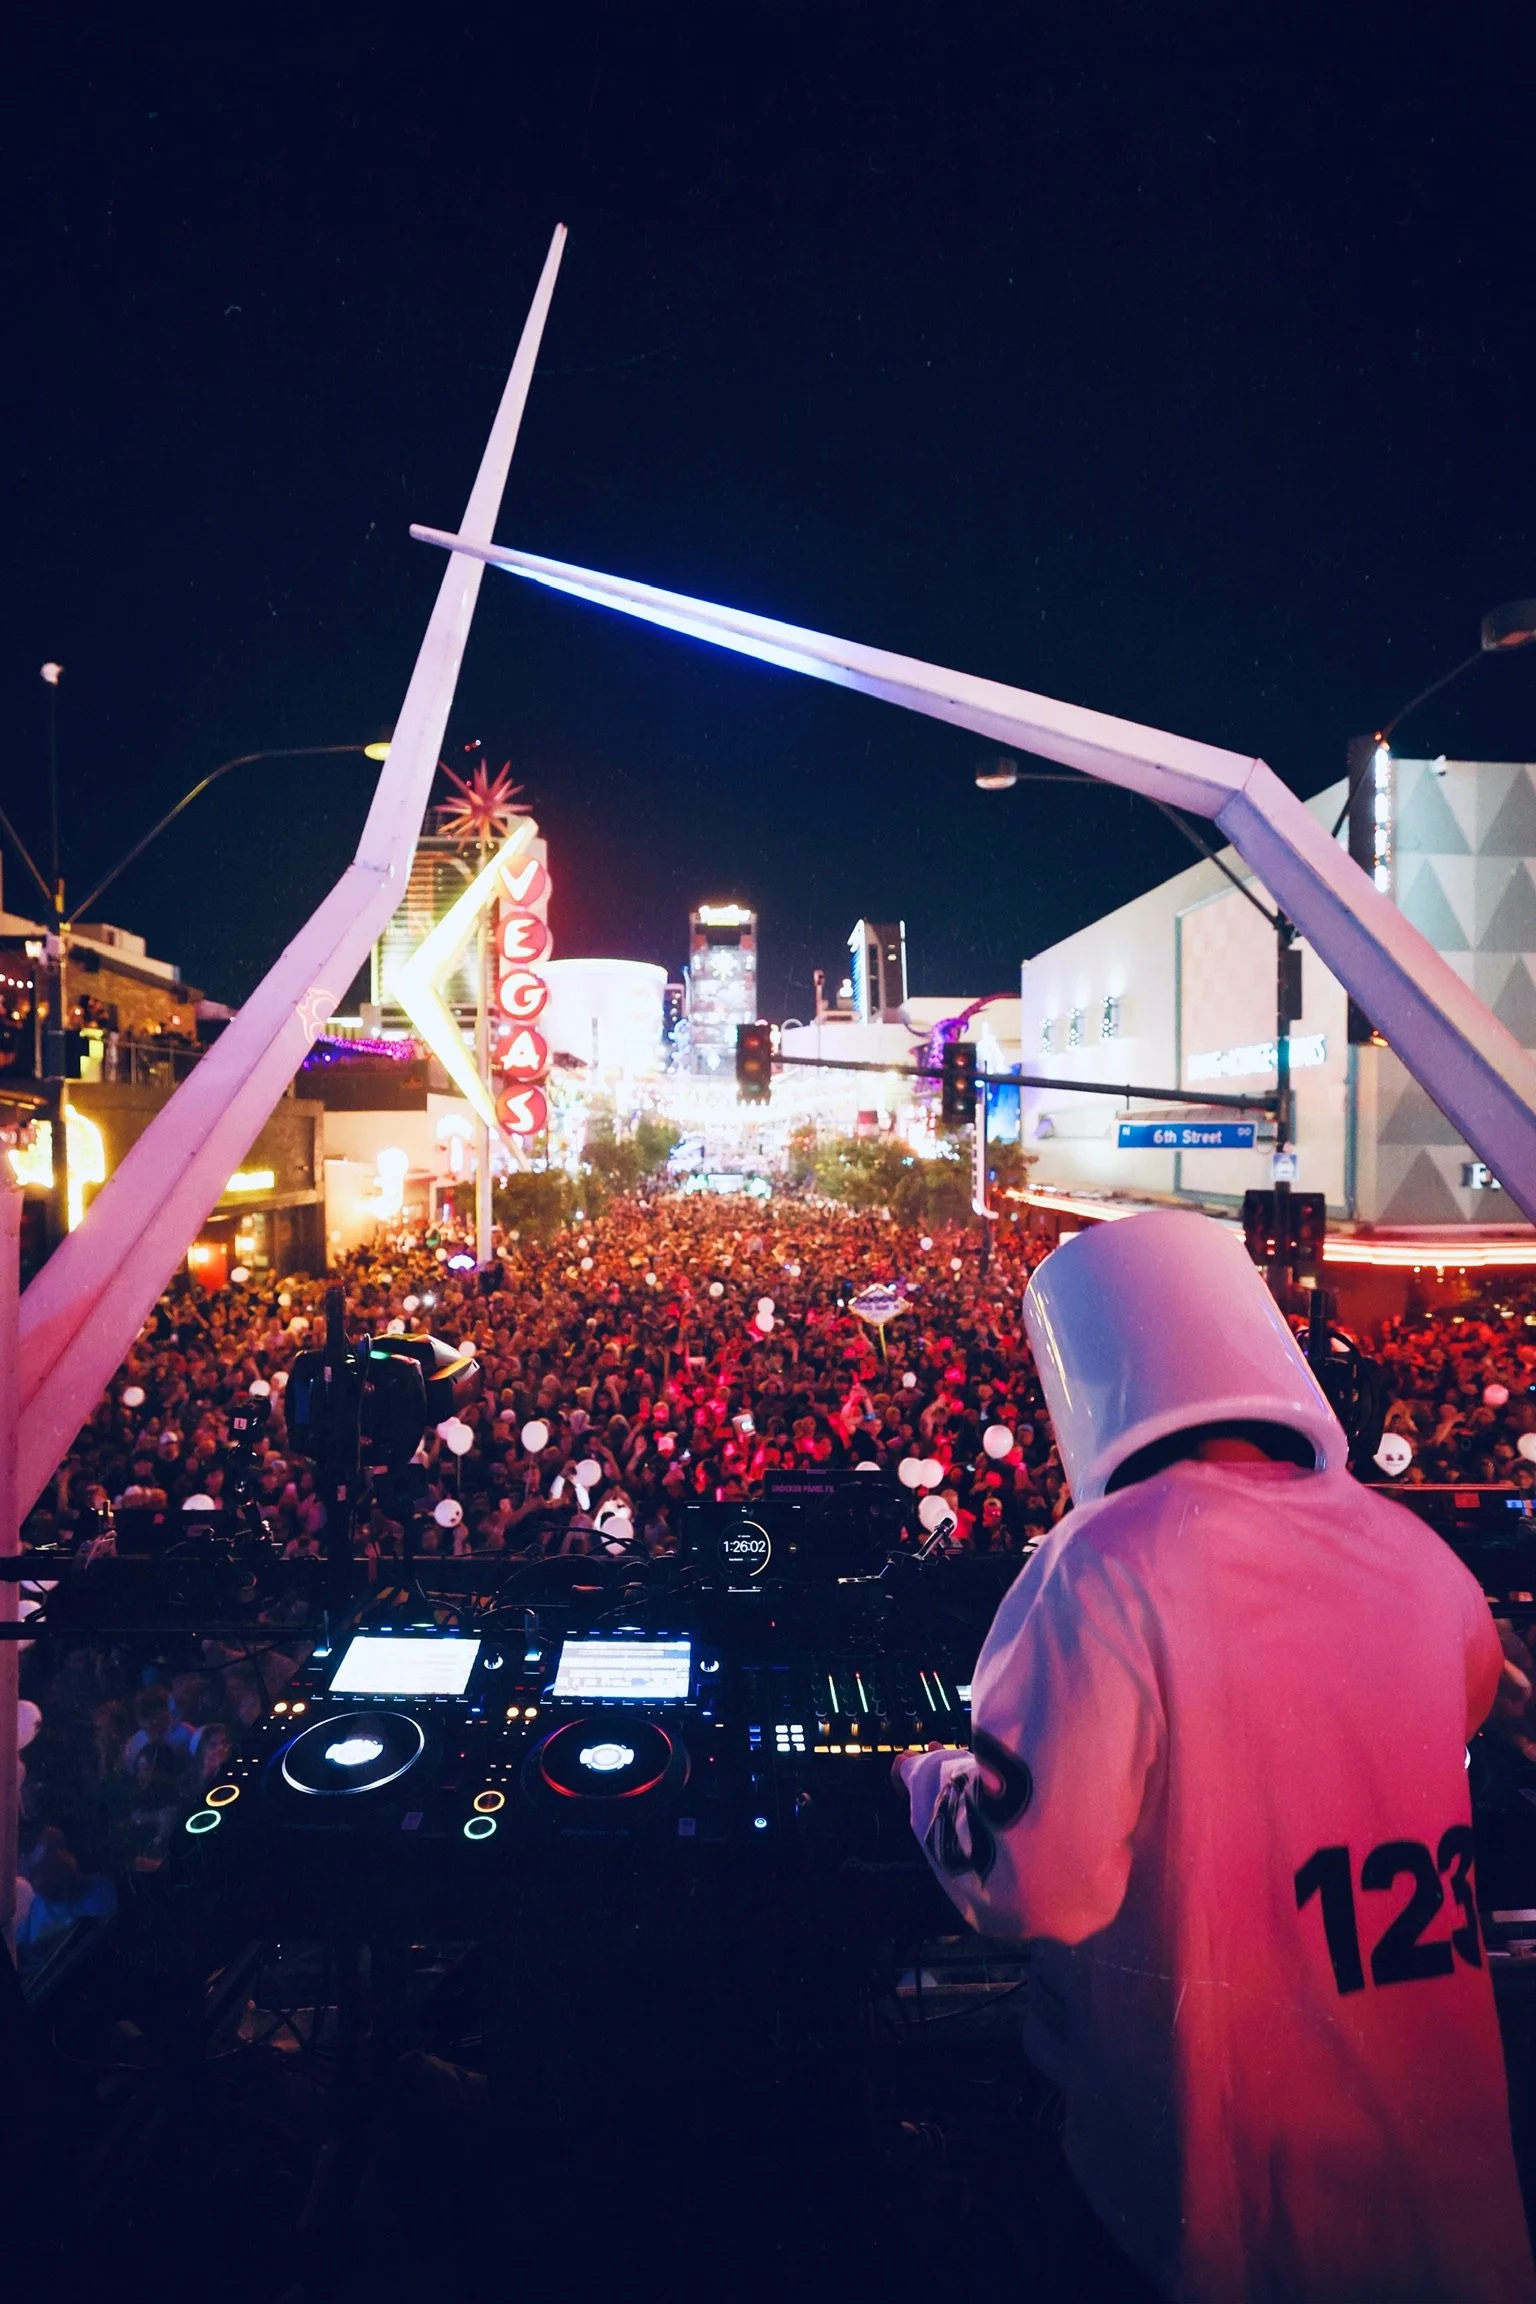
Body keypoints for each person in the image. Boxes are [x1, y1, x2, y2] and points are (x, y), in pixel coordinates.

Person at [895, 1208, 1535, 2303]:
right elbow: (1456, 1716)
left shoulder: (1105, 1563)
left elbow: (1028, 1877)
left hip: (1226, 2205)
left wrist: (917, 1780)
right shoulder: (1419, 1558)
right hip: (1455, 2189)